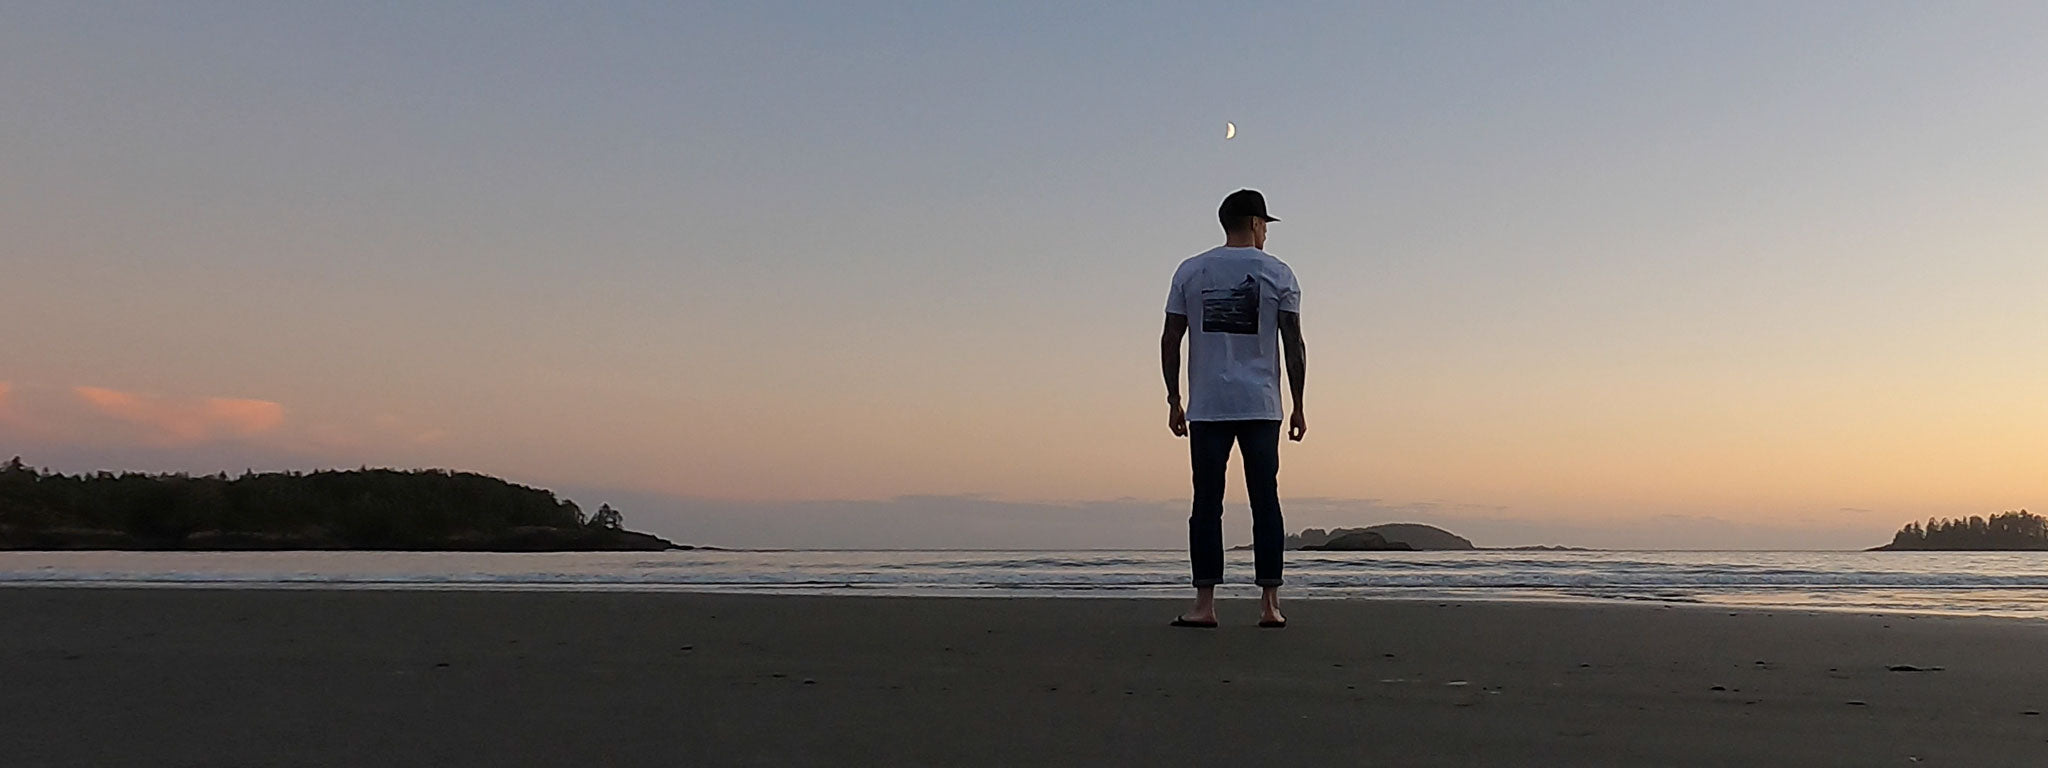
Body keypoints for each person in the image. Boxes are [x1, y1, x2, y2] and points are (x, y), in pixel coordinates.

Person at [1160, 189, 1306, 629]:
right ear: (1257, 224)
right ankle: (1270, 604)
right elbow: (1293, 343)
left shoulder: (1191, 270)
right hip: (1261, 403)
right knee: (1265, 500)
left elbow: (1171, 338)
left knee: (1206, 502)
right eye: (1265, 226)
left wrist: (1173, 398)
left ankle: (1204, 604)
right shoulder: (1278, 272)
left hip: (1208, 405)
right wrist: (1299, 404)